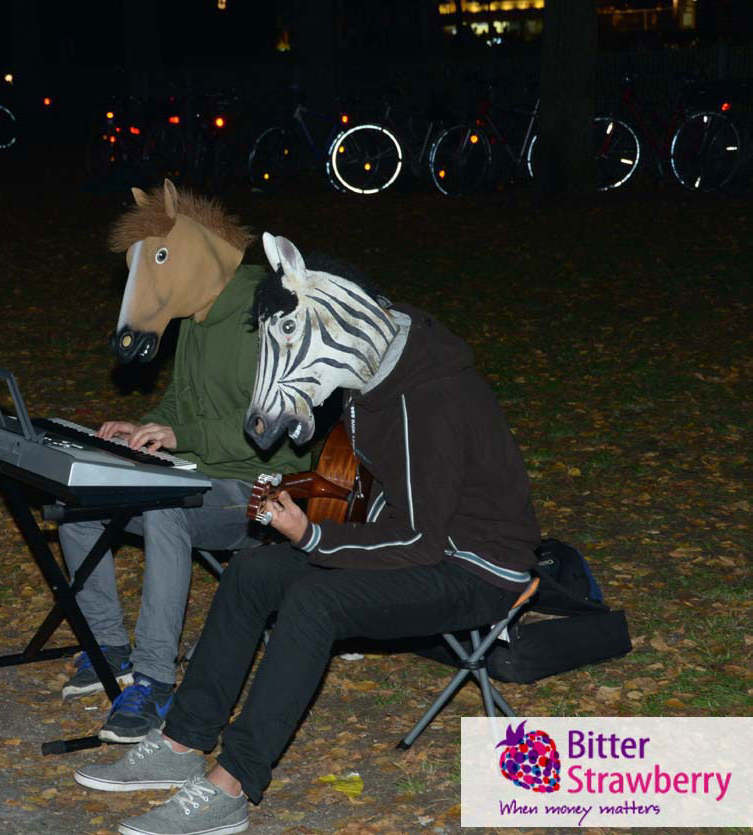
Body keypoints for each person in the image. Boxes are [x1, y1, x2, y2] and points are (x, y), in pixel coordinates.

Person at [73, 233, 541, 835]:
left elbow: (421, 542)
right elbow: (379, 501)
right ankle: (182, 742)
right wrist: (299, 507)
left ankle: (232, 783)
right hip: (422, 546)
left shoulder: (429, 399)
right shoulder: (374, 375)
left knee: (315, 601)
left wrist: (314, 538)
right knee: (252, 572)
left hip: (475, 569)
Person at [59, 183, 309, 744]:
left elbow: (269, 429)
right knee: (78, 505)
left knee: (164, 510)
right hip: (201, 473)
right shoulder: (199, 317)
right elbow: (182, 405)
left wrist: (181, 432)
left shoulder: (263, 314)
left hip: (260, 487)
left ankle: (152, 678)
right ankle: (108, 648)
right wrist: (145, 424)